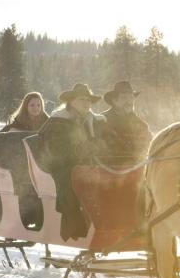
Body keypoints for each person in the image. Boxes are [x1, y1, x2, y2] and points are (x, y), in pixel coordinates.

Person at [38, 83, 106, 240]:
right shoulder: (58, 121)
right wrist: (81, 153)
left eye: (88, 99)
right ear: (71, 101)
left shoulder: (96, 121)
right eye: (82, 99)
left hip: (92, 165)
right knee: (72, 180)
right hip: (62, 167)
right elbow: (55, 150)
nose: (86, 103)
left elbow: (106, 143)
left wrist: (99, 149)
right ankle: (74, 226)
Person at [99, 80, 152, 168]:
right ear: (114, 101)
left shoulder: (141, 125)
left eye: (131, 98)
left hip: (134, 172)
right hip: (106, 172)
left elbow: (147, 148)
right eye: (124, 98)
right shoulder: (102, 121)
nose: (129, 102)